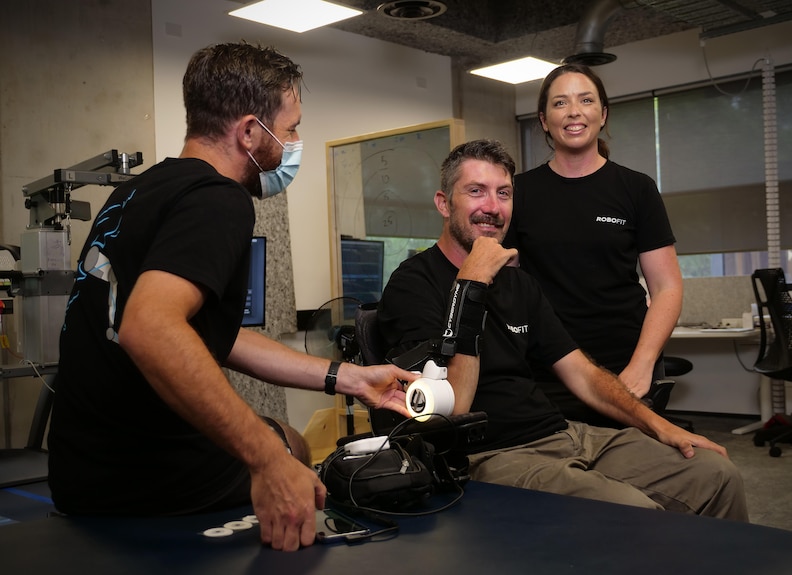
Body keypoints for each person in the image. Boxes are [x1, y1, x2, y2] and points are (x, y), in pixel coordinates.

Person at [47, 42, 415, 552]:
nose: (294, 143)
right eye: (289, 130)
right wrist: (267, 461)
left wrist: (348, 379)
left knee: (289, 438)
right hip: (140, 473)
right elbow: (150, 328)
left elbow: (204, 334)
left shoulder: (143, 189)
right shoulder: (220, 200)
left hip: (78, 465)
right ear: (248, 132)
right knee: (289, 452)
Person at [377, 139, 747, 520]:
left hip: (564, 433)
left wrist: (660, 426)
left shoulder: (520, 284)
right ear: (443, 203)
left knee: (715, 474)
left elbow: (584, 374)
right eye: (476, 191)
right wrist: (471, 285)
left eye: (503, 194)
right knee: (635, 514)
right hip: (492, 455)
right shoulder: (413, 283)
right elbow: (454, 407)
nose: (492, 207)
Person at [503, 63, 683, 426]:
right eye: (560, 103)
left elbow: (667, 287)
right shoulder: (517, 192)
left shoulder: (637, 189)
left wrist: (642, 365)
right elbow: (506, 281)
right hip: (544, 366)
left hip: (622, 365)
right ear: (543, 119)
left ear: (602, 115)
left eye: (585, 100)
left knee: (632, 472)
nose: (573, 112)